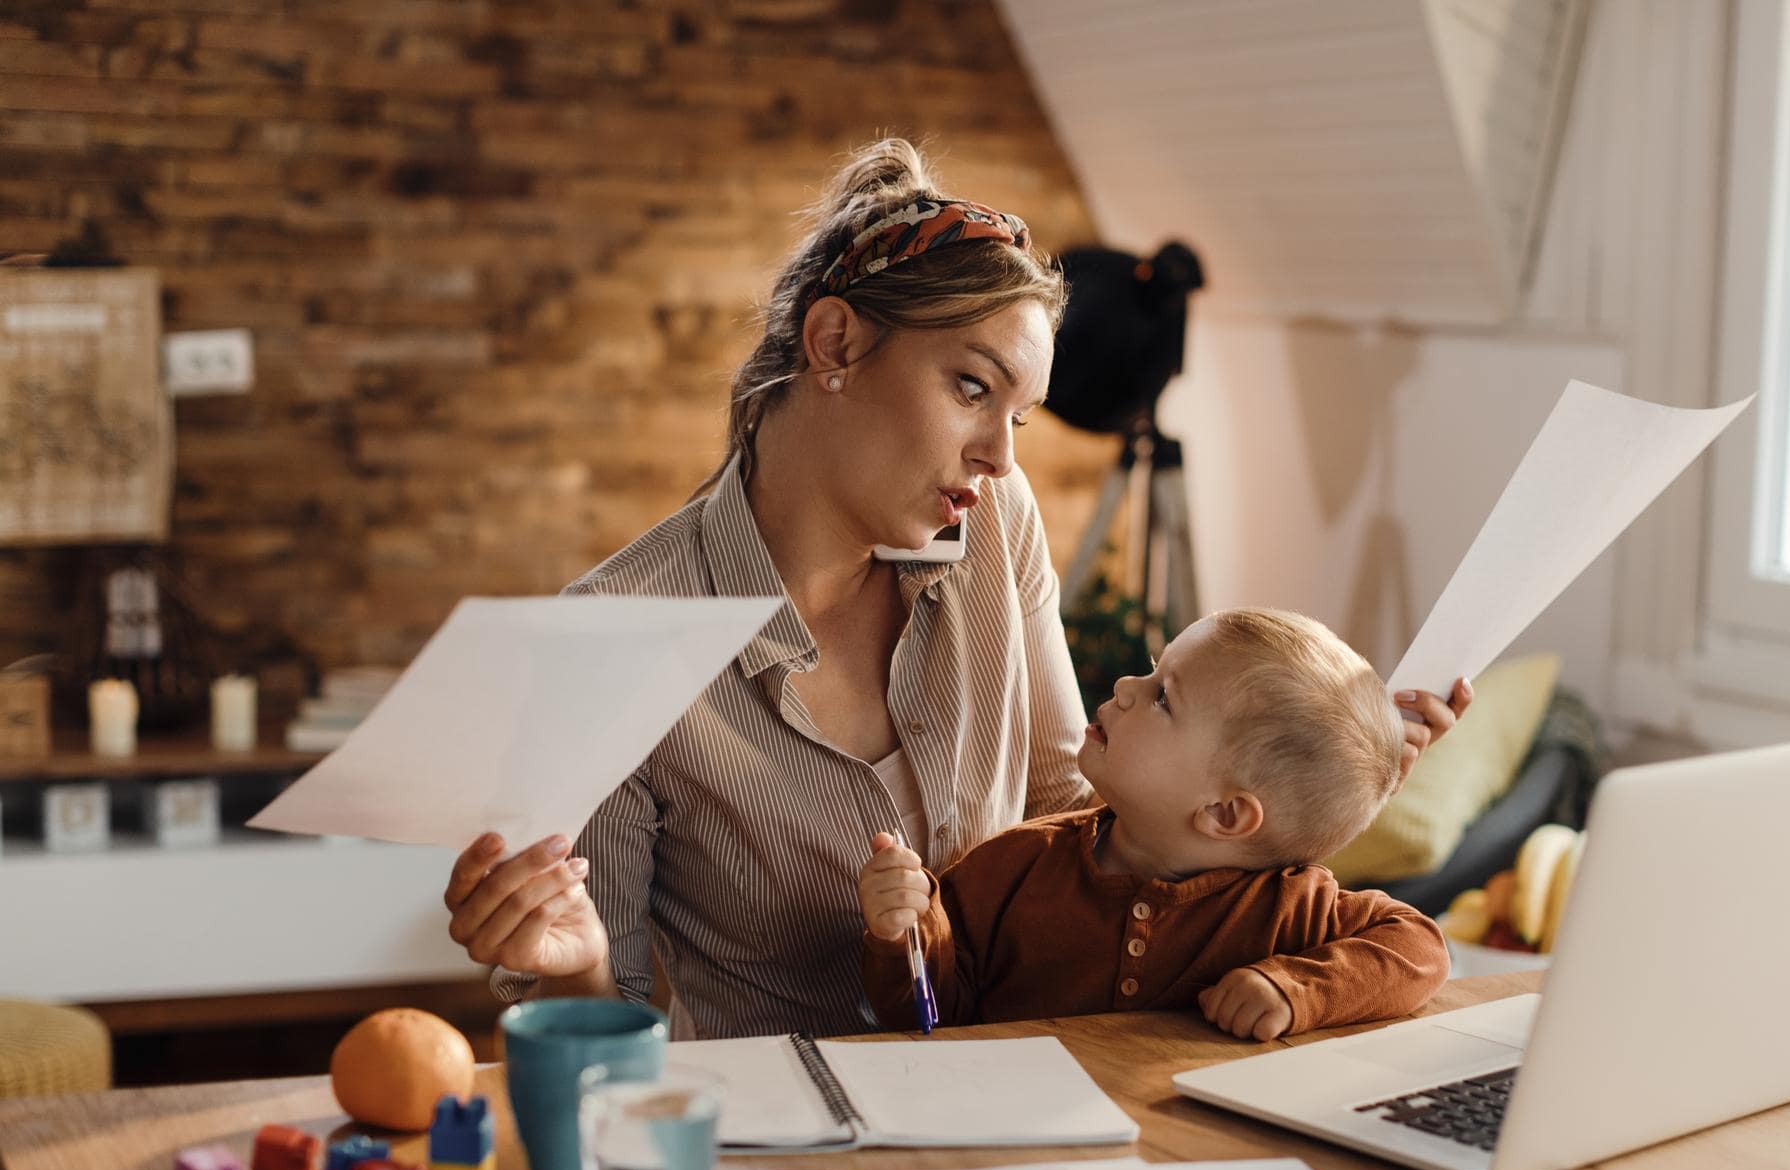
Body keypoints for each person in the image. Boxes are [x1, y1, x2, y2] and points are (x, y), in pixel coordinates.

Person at [439, 139, 1472, 1039]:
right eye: (971, 387)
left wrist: (1317, 769)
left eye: (1017, 416)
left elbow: (1077, 808)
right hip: (790, 1138)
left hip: (1036, 1105)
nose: (997, 456)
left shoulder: (992, 522)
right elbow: (598, 1010)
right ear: (835, 343)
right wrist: (561, 963)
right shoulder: (612, 635)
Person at [856, 608, 1449, 1041]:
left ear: (1225, 813)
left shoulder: (1291, 906)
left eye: (1163, 695)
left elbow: (1420, 948)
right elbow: (929, 1020)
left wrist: (1294, 991)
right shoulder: (1011, 866)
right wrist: (907, 930)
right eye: (1150, 670)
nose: (1124, 686)